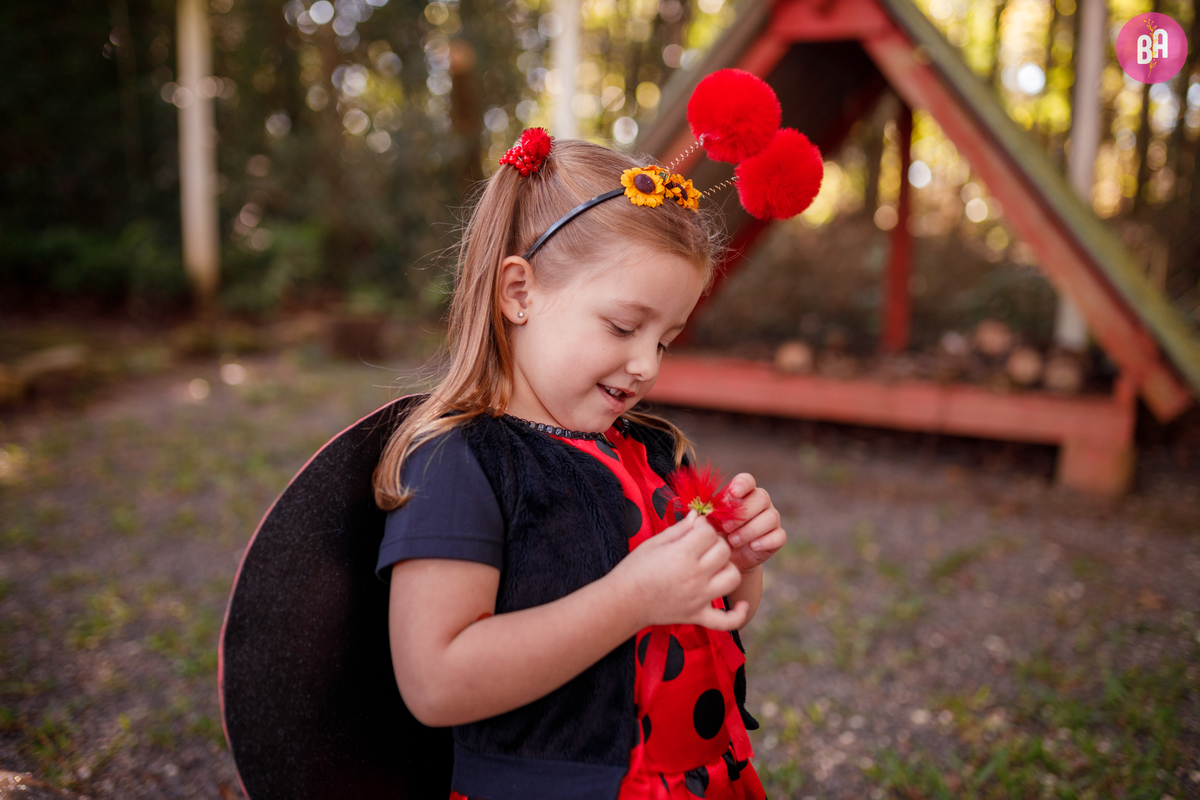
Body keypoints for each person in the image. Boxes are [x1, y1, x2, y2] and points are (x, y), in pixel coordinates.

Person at [371, 131, 787, 800]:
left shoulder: (655, 449)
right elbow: (435, 681)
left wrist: (736, 568)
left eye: (667, 340)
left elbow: (714, 614)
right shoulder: (463, 463)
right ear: (518, 292)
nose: (647, 365)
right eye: (624, 328)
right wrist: (632, 597)